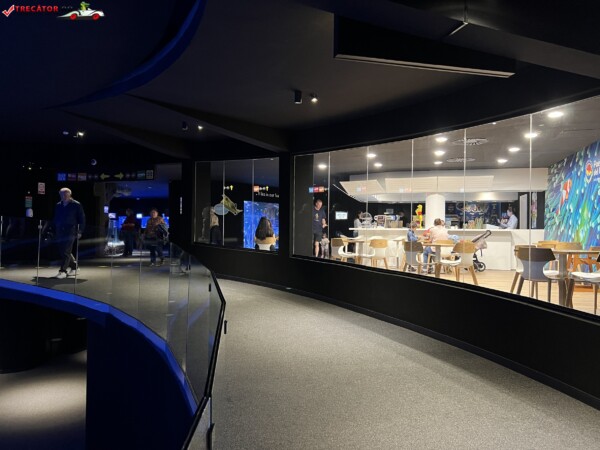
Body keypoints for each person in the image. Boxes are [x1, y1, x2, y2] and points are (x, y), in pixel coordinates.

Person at [52, 187, 85, 279]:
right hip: (60, 230)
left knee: (66, 250)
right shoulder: (58, 205)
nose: (64, 196)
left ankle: (63, 271)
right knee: (63, 250)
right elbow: (56, 217)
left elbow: (82, 218)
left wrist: (80, 231)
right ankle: (74, 267)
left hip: (71, 230)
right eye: (62, 194)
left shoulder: (76, 205)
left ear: (69, 195)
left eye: (66, 194)